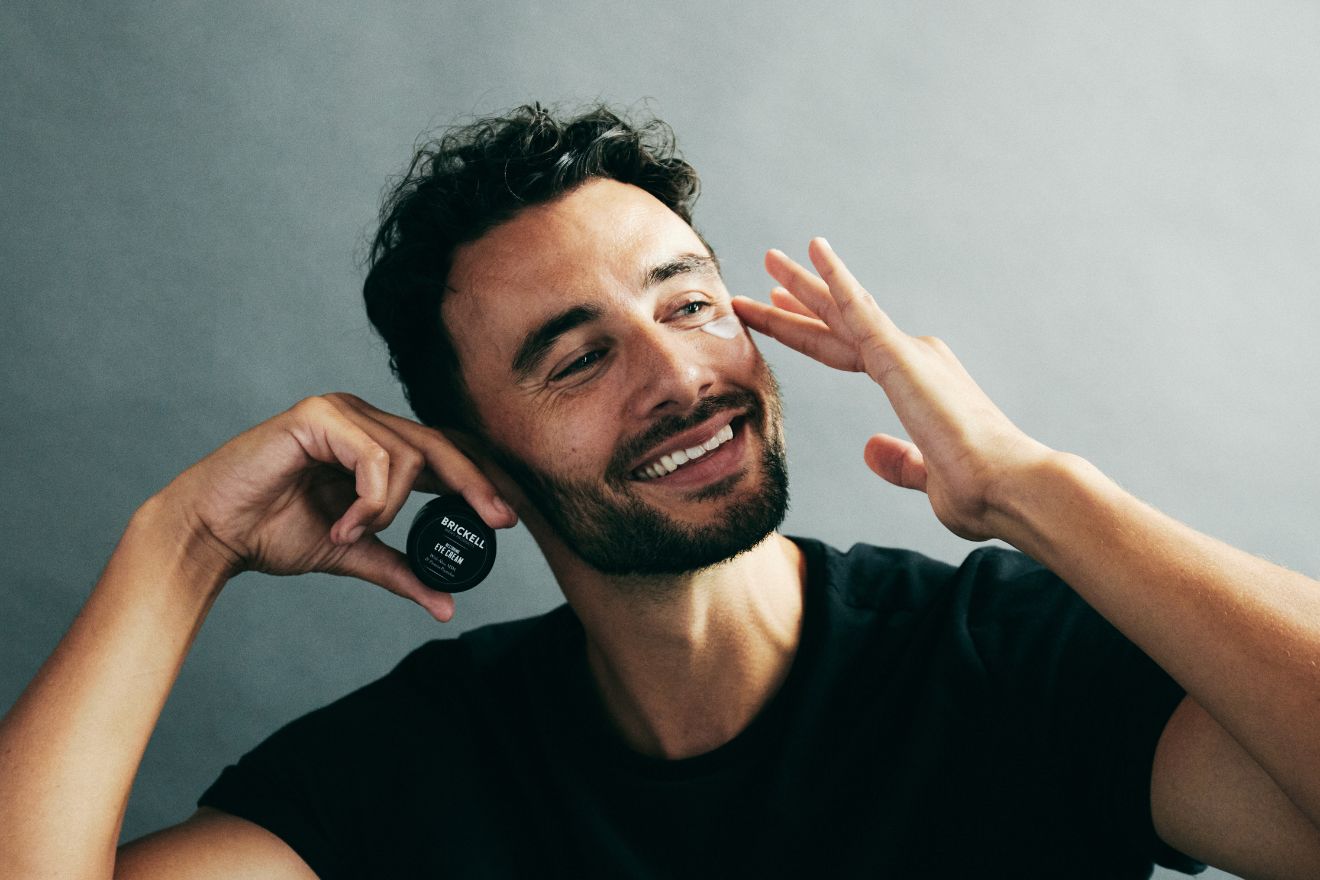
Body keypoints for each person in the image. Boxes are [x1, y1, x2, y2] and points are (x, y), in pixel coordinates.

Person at [1, 103, 1318, 879]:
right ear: (474, 455)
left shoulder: (1005, 662)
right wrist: (182, 544)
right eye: (579, 357)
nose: (681, 374)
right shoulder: (422, 769)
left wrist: (1041, 493)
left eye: (690, 303)